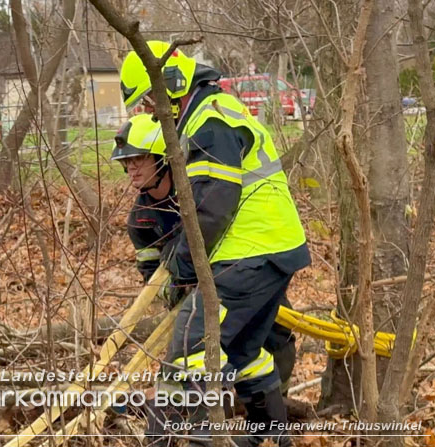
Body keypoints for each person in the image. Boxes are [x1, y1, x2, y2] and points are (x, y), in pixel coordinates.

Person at [117, 41, 310, 447]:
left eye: (149, 99)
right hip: (269, 248)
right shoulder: (213, 112)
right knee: (244, 352)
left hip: (251, 251)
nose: (149, 110)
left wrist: (183, 270)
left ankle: (171, 442)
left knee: (187, 352)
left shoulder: (211, 122)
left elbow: (211, 207)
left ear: (170, 83)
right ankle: (271, 439)